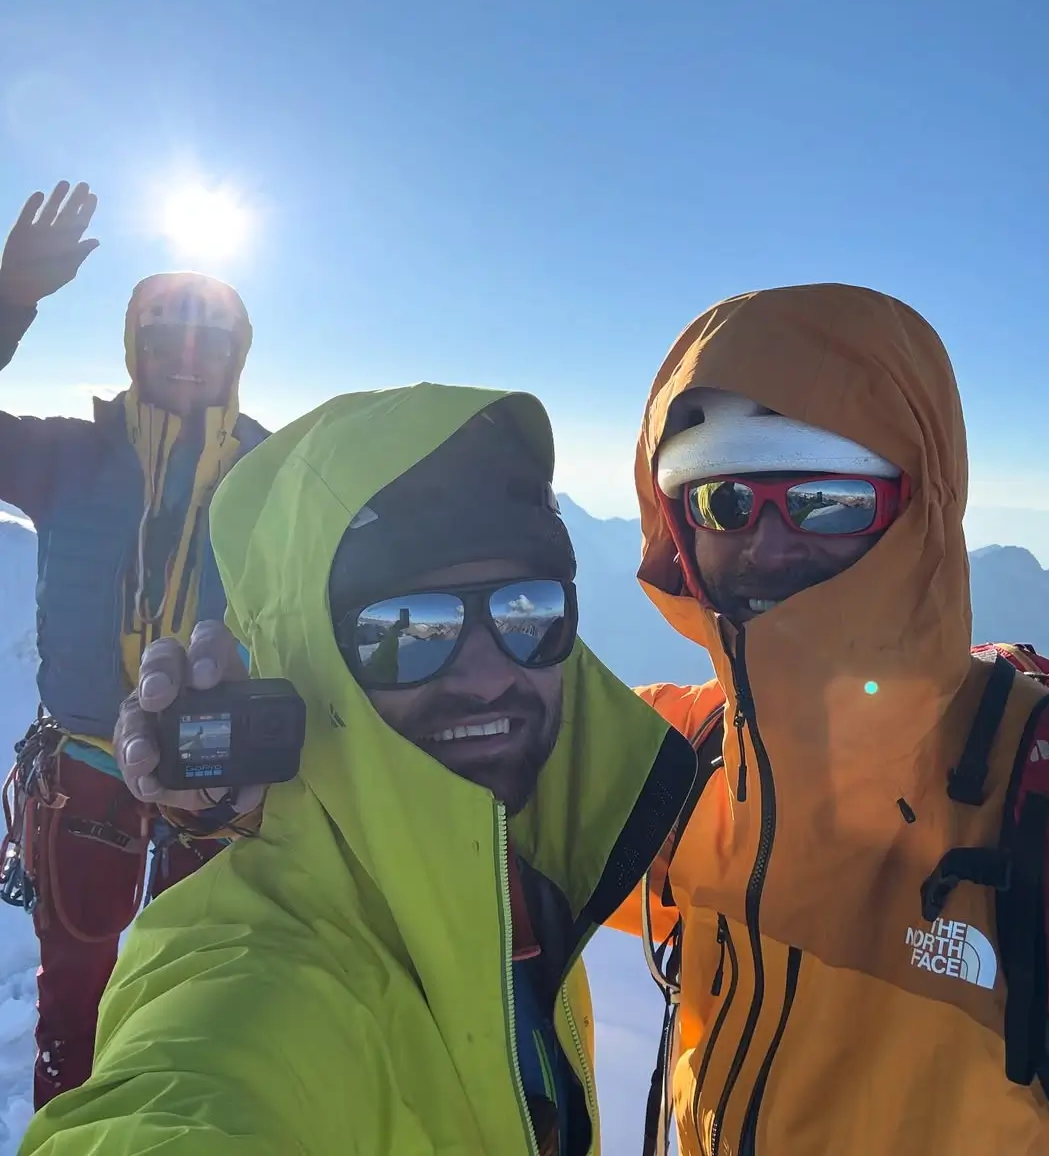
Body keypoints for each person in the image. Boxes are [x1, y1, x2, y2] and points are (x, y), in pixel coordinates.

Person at [21, 384, 696, 1155]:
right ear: (314, 665)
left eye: (526, 610)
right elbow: (183, 1101)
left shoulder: (527, 873)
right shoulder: (258, 986)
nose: (485, 676)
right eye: (405, 631)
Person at [608, 282, 1049, 1154]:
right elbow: (458, 762)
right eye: (724, 503)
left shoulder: (1048, 799)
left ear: (917, 512)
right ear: (677, 525)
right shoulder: (691, 757)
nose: (768, 546)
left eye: (827, 501)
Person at [0, 181, 268, 1108]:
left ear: (236, 355)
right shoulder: (67, 454)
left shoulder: (266, 470)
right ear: (135, 349)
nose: (187, 355)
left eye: (210, 339)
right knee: (76, 1010)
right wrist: (9, 302)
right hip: (89, 769)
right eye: (164, 337)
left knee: (200, 998)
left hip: (215, 772)